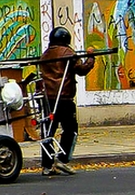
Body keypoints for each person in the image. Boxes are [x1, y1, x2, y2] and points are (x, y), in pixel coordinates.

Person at [39, 26, 94, 176]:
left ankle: (47, 165)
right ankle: (62, 160)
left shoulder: (45, 55)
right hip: (64, 98)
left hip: (47, 98)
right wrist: (91, 57)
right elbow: (81, 70)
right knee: (70, 129)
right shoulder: (67, 52)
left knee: (48, 131)